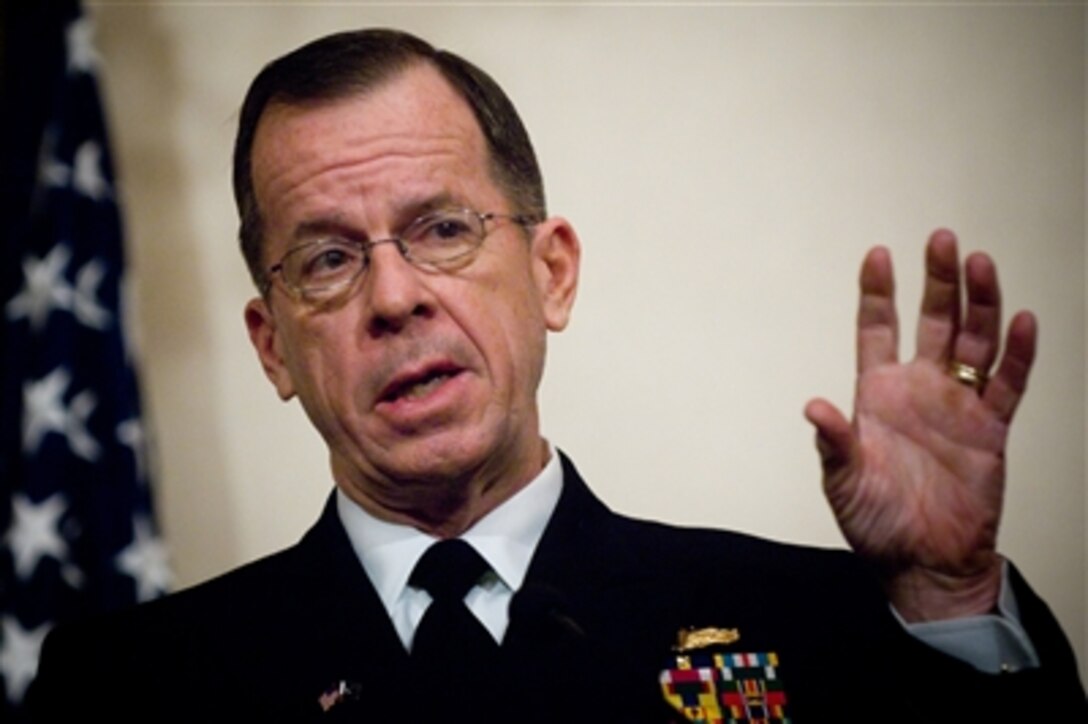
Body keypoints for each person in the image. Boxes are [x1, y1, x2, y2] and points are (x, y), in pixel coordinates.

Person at [29, 28, 1085, 722]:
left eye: (441, 228)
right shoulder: (124, 690)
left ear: (551, 273)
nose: (392, 298)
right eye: (328, 258)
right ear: (274, 347)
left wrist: (945, 599)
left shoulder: (812, 622)